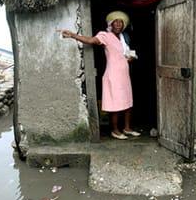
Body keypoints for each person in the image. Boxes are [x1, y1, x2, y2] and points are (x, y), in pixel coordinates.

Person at [58, 11, 140, 140]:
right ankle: (115, 130)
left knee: (128, 102)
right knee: (116, 104)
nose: (118, 24)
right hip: (113, 75)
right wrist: (73, 35)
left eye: (121, 22)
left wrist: (130, 58)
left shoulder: (124, 38)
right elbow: (90, 40)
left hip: (124, 75)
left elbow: (126, 54)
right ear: (111, 24)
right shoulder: (105, 36)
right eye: (115, 22)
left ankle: (127, 128)